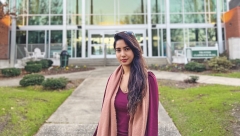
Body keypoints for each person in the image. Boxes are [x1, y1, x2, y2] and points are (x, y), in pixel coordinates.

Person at [93, 31, 159, 136]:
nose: (122, 54)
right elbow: (104, 115)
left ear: (134, 50)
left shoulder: (148, 80)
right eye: (118, 50)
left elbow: (152, 120)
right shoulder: (112, 80)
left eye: (127, 49)